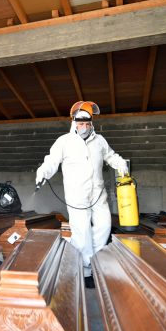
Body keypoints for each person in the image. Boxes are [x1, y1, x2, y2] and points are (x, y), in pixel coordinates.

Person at [35, 101, 128, 288]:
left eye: (87, 123)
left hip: (98, 192)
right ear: (74, 123)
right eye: (81, 123)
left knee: (104, 226)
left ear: (91, 123)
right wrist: (43, 173)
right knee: (82, 232)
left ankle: (94, 262)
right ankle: (85, 271)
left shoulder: (99, 140)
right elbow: (52, 161)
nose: (84, 127)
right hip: (77, 194)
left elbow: (110, 155)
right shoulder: (64, 142)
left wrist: (120, 163)